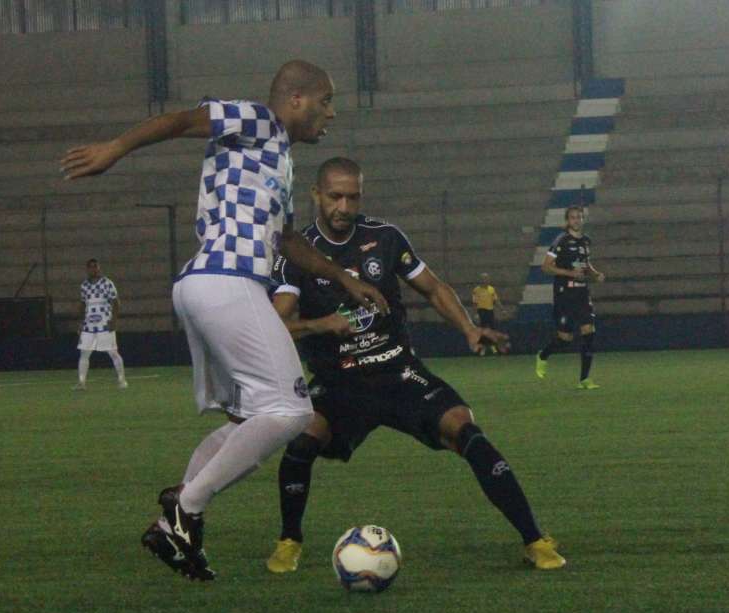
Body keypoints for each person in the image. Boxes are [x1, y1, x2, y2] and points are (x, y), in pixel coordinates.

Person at [60, 61, 389, 581]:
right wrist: (114, 150)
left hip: (207, 286)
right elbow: (178, 121)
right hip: (225, 283)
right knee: (291, 412)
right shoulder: (258, 120)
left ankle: (175, 517)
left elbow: (287, 242)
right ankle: (183, 512)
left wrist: (342, 278)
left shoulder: (278, 157)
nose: (331, 111)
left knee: (249, 421)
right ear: (297, 98)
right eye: (325, 100)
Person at [265, 157, 565, 573]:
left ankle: (535, 539)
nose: (344, 207)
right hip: (339, 381)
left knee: (466, 429)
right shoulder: (297, 253)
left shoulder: (384, 238)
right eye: (335, 196)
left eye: (353, 197)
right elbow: (274, 325)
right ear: (316, 195)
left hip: (397, 370)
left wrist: (468, 328)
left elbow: (432, 287)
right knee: (301, 441)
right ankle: (289, 541)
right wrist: (323, 324)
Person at [534, 205, 606, 389]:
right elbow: (546, 266)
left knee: (589, 331)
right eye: (573, 217)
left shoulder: (586, 241)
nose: (576, 220)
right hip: (564, 294)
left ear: (583, 219)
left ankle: (584, 379)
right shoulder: (561, 240)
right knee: (565, 339)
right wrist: (569, 273)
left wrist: (595, 274)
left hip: (582, 293)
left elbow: (585, 263)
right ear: (568, 220)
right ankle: (543, 355)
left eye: (579, 217)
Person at [74, 258, 127, 390]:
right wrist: (81, 323)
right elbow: (82, 304)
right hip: (88, 325)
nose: (94, 269)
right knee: (84, 353)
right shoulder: (84, 286)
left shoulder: (107, 283)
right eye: (91, 267)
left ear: (99, 268)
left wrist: (114, 320)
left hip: (104, 323)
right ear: (87, 269)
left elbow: (116, 303)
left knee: (113, 352)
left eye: (96, 267)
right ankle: (81, 382)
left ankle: (122, 380)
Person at [472, 272, 502, 354]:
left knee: (492, 330)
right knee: (483, 332)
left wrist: (502, 309)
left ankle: (493, 348)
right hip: (481, 311)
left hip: (490, 311)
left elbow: (496, 300)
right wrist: (475, 314)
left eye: (486, 278)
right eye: (483, 278)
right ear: (480, 280)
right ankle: (482, 349)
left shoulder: (491, 289)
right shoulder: (476, 290)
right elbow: (475, 303)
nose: (485, 280)